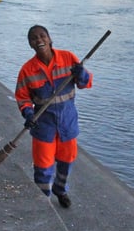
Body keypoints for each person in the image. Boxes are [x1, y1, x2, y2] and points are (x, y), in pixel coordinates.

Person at [15, 25, 93, 208]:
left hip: (67, 123)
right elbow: (22, 97)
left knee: (67, 162)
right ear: (30, 44)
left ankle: (60, 189)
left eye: (42, 36)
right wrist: (27, 112)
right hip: (44, 126)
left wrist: (81, 74)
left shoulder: (68, 58)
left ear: (49, 38)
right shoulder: (27, 70)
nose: (39, 40)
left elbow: (86, 83)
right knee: (43, 167)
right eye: (34, 38)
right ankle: (44, 200)